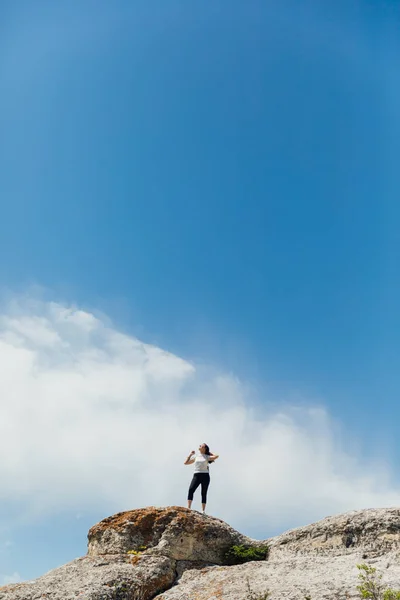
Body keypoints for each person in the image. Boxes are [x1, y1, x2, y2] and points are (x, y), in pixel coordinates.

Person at [184, 443, 219, 514]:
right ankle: (188, 507)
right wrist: (190, 455)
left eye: (201, 445)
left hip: (205, 476)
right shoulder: (196, 457)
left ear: (204, 448)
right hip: (196, 475)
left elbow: (217, 456)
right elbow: (186, 463)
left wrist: (209, 452)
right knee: (191, 489)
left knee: (203, 492)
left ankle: (203, 511)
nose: (199, 446)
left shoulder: (207, 456)